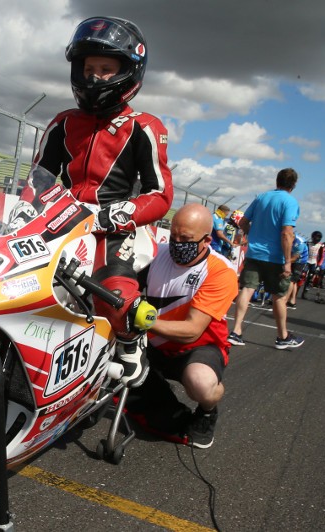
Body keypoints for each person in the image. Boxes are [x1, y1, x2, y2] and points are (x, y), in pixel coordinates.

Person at [32, 16, 173, 387]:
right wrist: (39, 205)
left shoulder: (144, 126)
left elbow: (160, 194)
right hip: (61, 221)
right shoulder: (61, 122)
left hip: (115, 228)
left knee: (115, 296)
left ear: (128, 72)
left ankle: (130, 343)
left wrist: (120, 214)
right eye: (89, 68)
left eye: (106, 69)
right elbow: (35, 181)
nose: (94, 77)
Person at [133, 204, 238, 449]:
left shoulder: (220, 271)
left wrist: (144, 320)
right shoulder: (155, 253)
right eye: (173, 236)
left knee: (201, 384)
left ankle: (207, 411)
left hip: (197, 348)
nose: (177, 243)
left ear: (206, 240)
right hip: (151, 342)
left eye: (186, 239)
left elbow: (191, 331)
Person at [227, 168, 304, 350]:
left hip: (254, 253)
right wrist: (287, 262)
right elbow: (286, 232)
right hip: (275, 257)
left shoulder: (262, 197)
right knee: (279, 296)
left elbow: (243, 222)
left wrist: (252, 236)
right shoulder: (290, 202)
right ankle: (282, 336)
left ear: (277, 181)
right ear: (293, 185)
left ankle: (236, 331)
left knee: (247, 289)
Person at [280, 233, 308, 310]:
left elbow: (295, 258)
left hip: (300, 261)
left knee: (291, 280)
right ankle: (292, 300)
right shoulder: (285, 238)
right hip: (290, 257)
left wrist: (285, 263)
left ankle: (285, 300)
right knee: (294, 281)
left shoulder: (299, 243)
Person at [299, 231, 325, 299]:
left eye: (318, 237)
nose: (316, 238)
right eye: (315, 237)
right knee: (302, 276)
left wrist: (319, 265)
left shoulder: (321, 245)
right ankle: (296, 290)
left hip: (314, 263)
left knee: (310, 277)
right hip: (306, 261)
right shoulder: (308, 243)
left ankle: (305, 293)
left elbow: (322, 256)